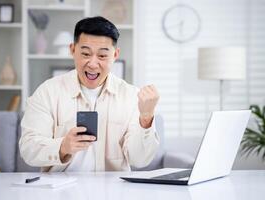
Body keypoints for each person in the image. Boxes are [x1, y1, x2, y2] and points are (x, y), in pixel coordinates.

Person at [19, 16, 160, 172]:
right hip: (60, 192)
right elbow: (28, 148)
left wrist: (146, 119)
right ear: (72, 50)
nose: (93, 64)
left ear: (115, 55)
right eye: (86, 54)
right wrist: (62, 146)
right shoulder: (48, 92)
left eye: (102, 56)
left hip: (113, 191)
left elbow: (139, 160)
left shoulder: (131, 96)